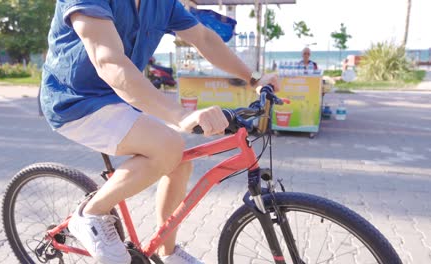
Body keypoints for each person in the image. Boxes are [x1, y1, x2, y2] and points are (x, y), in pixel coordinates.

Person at [40, 1, 278, 264]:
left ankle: (168, 253)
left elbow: (204, 38)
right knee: (168, 146)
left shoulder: (162, 4)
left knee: (179, 162)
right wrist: (181, 116)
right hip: (74, 103)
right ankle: (90, 215)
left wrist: (254, 78)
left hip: (119, 99)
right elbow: (108, 61)